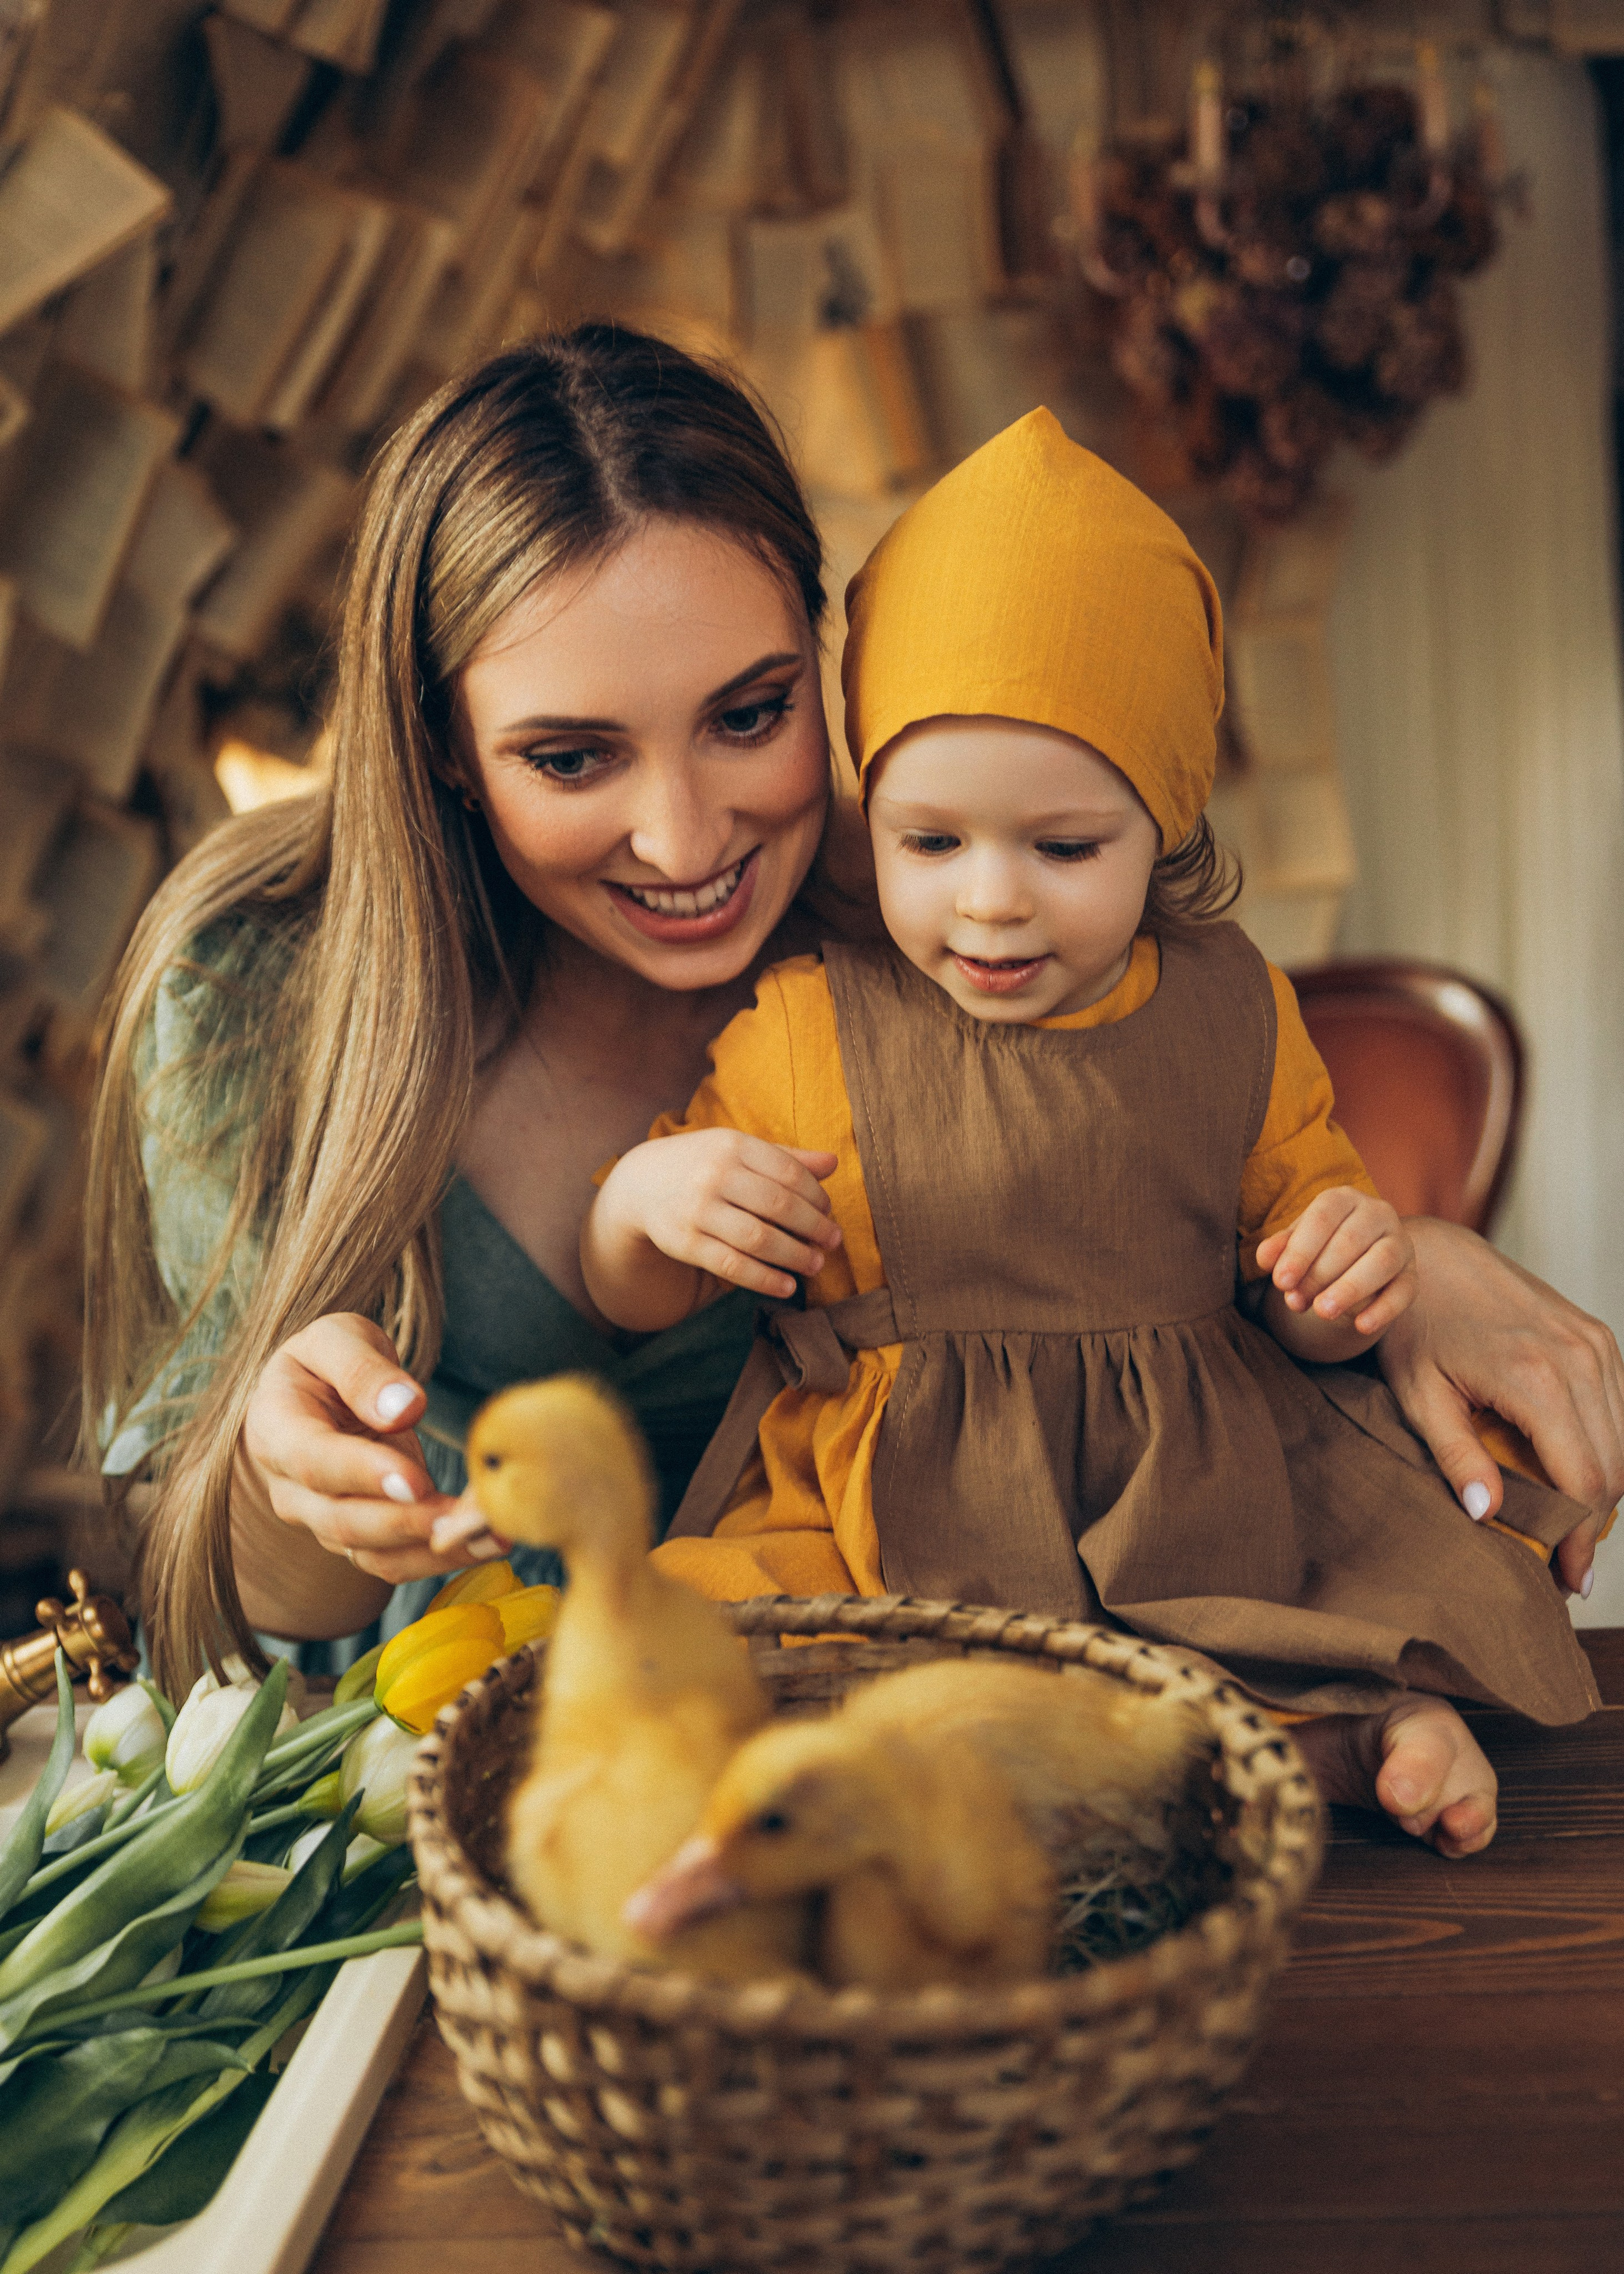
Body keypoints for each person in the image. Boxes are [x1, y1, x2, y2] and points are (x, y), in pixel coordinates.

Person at [86, 331, 1621, 1843]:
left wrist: (1403, 1260)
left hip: (893, 1774)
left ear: (830, 661)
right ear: (440, 748)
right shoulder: (249, 985)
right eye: (571, 758)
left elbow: (1150, 1269)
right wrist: (307, 1502)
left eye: (749, 715)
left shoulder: (946, 929)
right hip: (426, 1807)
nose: (684, 842)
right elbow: (239, 1604)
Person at [578, 409, 1604, 1855]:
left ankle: (1355, 1738)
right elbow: (643, 1299)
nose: (989, 900)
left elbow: (1301, 1277)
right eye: (929, 842)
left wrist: (1337, 1276)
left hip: (1169, 1494)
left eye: (1062, 847)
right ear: (870, 809)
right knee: (707, 1644)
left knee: (1270, 1621)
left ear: (1165, 821)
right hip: (883, 1515)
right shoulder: (808, 1024)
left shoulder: (1232, 1011)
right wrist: (643, 1202)